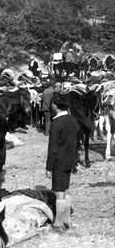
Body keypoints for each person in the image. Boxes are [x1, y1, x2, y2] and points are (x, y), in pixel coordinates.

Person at [45, 93, 78, 231]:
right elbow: (75, 143)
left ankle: (58, 223)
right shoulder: (72, 120)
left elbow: (53, 148)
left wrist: (49, 166)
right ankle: (67, 220)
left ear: (55, 106)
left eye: (53, 104)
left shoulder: (56, 123)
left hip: (59, 161)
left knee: (59, 192)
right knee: (66, 190)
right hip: (70, 160)